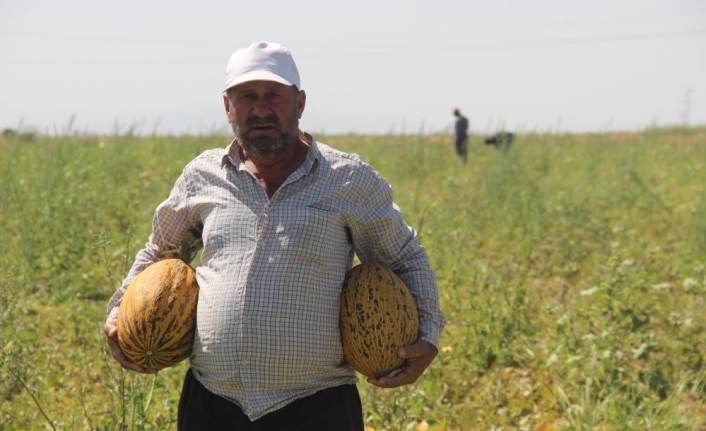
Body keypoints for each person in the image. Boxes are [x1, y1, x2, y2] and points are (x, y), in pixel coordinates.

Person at [104, 41, 446, 431]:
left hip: (317, 406)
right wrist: (119, 312)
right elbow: (161, 253)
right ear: (227, 106)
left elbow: (403, 258)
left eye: (274, 97)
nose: (261, 109)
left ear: (299, 103)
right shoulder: (203, 175)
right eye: (246, 96)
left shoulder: (348, 179)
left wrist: (429, 335)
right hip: (212, 403)